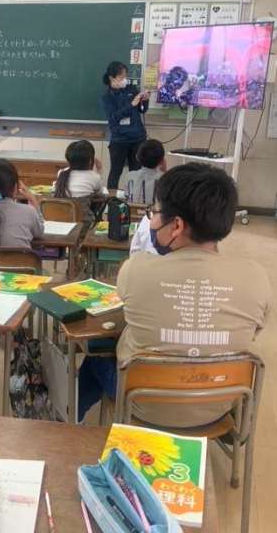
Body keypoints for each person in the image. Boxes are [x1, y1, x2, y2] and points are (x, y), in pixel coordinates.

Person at [78, 162, 272, 426]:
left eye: (155, 212)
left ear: (177, 225)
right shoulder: (256, 277)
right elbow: (253, 332)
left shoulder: (136, 268)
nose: (152, 221)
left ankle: (69, 423)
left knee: (95, 357)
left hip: (143, 403)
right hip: (220, 402)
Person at [101, 61, 150, 190]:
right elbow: (113, 118)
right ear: (112, 78)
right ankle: (112, 199)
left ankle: (134, 199)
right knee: (115, 172)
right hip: (119, 139)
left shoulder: (131, 89)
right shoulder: (107, 97)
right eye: (121, 77)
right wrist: (131, 105)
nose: (124, 80)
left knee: (136, 173)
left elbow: (142, 110)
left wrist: (145, 101)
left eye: (125, 76)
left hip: (137, 138)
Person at [128, 139, 166, 255]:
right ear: (161, 160)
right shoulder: (163, 179)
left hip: (131, 222)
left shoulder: (130, 176)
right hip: (152, 225)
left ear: (137, 157)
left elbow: (126, 196)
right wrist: (165, 170)